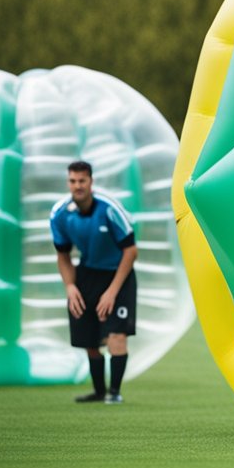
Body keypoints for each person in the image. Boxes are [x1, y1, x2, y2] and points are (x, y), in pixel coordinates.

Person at [51, 160, 138, 404]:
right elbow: (63, 255)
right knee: (89, 341)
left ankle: (115, 393)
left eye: (82, 181)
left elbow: (131, 251)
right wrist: (70, 286)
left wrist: (112, 292)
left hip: (117, 274)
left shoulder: (109, 209)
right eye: (72, 181)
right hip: (86, 274)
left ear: (91, 182)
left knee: (116, 337)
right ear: (68, 182)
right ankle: (99, 392)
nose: (77, 186)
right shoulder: (60, 214)